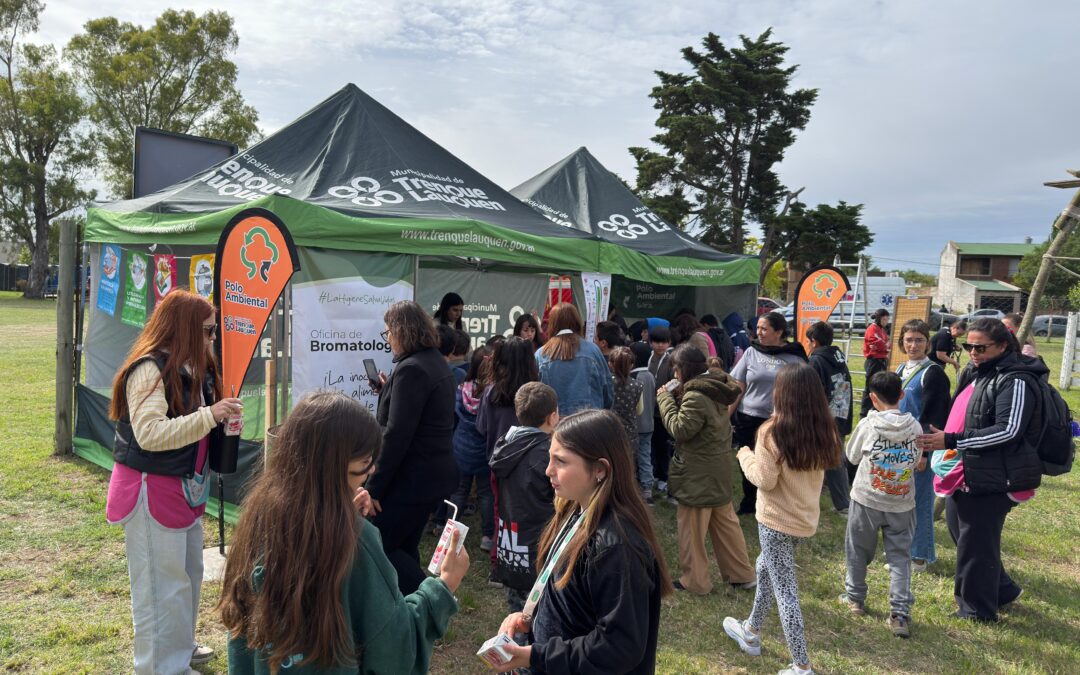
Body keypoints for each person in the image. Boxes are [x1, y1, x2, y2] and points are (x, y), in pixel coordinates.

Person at [220, 391, 470, 674]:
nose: (372, 470)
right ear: (332, 469)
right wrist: (444, 585)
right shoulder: (354, 539)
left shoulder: (258, 517)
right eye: (364, 466)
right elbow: (393, 649)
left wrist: (343, 509)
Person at [107, 289, 242, 673]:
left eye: (213, 331)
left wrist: (223, 425)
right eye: (207, 331)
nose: (213, 338)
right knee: (157, 589)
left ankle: (179, 650)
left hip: (183, 490)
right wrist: (210, 416)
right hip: (151, 492)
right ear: (183, 329)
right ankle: (158, 667)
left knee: (186, 578)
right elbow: (150, 434)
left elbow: (196, 425)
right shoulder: (149, 369)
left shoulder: (195, 367)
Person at [495, 409, 673, 674]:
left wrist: (537, 655)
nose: (548, 470)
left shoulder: (616, 547)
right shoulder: (574, 511)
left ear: (600, 469)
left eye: (561, 462)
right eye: (549, 458)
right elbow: (572, 603)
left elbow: (619, 646)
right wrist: (529, 617)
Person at [917, 318, 1043, 622]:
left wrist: (951, 438)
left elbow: (1008, 431)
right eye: (968, 346)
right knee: (963, 532)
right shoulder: (976, 372)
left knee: (976, 542)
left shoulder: (1016, 380)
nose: (972, 352)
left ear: (1002, 346)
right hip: (966, 469)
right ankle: (1003, 589)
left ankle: (977, 611)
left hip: (994, 475)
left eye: (980, 347)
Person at [724, 363, 840, 675]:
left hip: (776, 523)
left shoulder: (772, 431)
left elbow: (764, 479)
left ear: (782, 393)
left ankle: (801, 666)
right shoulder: (824, 428)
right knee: (765, 569)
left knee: (785, 590)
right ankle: (751, 631)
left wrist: (744, 454)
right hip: (804, 521)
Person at [366, 300, 458, 595]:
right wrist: (387, 391)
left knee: (379, 545)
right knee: (404, 544)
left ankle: (431, 600)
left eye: (388, 333)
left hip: (412, 478)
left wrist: (373, 488)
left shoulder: (412, 370)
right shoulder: (432, 362)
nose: (388, 339)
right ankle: (410, 610)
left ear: (401, 331)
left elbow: (397, 435)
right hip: (430, 475)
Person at [658, 345, 755, 595]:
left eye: (676, 370)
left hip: (698, 472)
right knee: (725, 524)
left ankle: (696, 581)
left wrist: (665, 399)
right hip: (718, 467)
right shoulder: (717, 387)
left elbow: (680, 429)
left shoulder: (696, 396)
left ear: (682, 370)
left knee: (692, 528)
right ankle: (741, 574)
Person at [839, 372, 924, 639]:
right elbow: (915, 460)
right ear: (901, 395)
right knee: (900, 558)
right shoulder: (916, 427)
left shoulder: (868, 425)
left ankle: (855, 599)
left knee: (857, 550)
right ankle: (899, 614)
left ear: (873, 398)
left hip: (867, 499)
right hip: (901, 502)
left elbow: (851, 457)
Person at [729, 311, 808, 515]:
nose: (759, 333)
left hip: (778, 420)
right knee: (748, 459)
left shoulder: (794, 357)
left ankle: (774, 502)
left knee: (775, 463)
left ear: (779, 332)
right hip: (748, 417)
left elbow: (803, 389)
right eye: (758, 328)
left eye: (765, 329)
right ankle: (749, 502)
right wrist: (727, 413)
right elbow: (739, 384)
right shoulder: (751, 352)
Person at [489, 382, 559, 612]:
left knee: (516, 612)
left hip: (511, 546)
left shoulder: (505, 444)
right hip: (541, 549)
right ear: (552, 417)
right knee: (541, 615)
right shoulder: (546, 455)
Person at [893, 319, 951, 573]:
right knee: (899, 501)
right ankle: (901, 550)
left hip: (920, 449)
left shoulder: (933, 373)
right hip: (898, 446)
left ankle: (919, 555)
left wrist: (924, 453)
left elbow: (935, 417)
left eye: (918, 339)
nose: (913, 345)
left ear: (927, 342)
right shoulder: (899, 369)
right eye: (909, 339)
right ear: (901, 342)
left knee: (920, 501)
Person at [447, 346, 495, 550]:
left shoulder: (461, 388)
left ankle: (450, 536)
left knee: (458, 492)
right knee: (486, 494)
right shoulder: (493, 393)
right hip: (483, 451)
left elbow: (454, 416)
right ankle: (487, 537)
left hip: (461, 448)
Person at [807, 321, 855, 515]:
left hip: (823, 419)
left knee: (831, 461)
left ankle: (843, 504)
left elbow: (813, 393)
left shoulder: (816, 361)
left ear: (814, 341)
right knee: (834, 460)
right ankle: (840, 500)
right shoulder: (838, 357)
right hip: (840, 416)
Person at [535, 303, 614, 416]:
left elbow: (535, 396)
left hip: (555, 426)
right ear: (577, 321)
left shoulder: (541, 354)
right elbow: (607, 391)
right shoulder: (593, 351)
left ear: (552, 323)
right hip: (590, 423)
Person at [647, 326, 675, 494]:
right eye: (657, 342)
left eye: (664, 342)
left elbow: (675, 381)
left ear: (669, 343)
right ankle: (655, 474)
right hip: (648, 410)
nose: (660, 345)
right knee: (651, 445)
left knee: (663, 446)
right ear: (650, 343)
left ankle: (664, 477)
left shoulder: (671, 360)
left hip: (663, 411)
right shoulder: (647, 358)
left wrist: (663, 393)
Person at [629, 342, 657, 503]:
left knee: (636, 456)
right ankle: (647, 489)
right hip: (649, 423)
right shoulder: (650, 375)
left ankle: (641, 487)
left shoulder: (634, 378)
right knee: (645, 454)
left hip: (635, 425)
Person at [608, 346, 645, 447]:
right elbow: (639, 410)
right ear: (632, 365)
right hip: (630, 433)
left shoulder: (606, 383)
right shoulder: (638, 385)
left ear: (610, 364)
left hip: (607, 430)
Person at [860, 309, 891, 417]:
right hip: (873, 361)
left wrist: (885, 346)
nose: (886, 321)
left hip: (882, 360)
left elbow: (887, 343)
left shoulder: (882, 329)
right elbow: (877, 343)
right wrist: (884, 346)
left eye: (887, 319)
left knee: (879, 387)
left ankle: (876, 410)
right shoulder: (872, 329)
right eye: (884, 319)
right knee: (870, 388)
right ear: (878, 319)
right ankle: (864, 413)